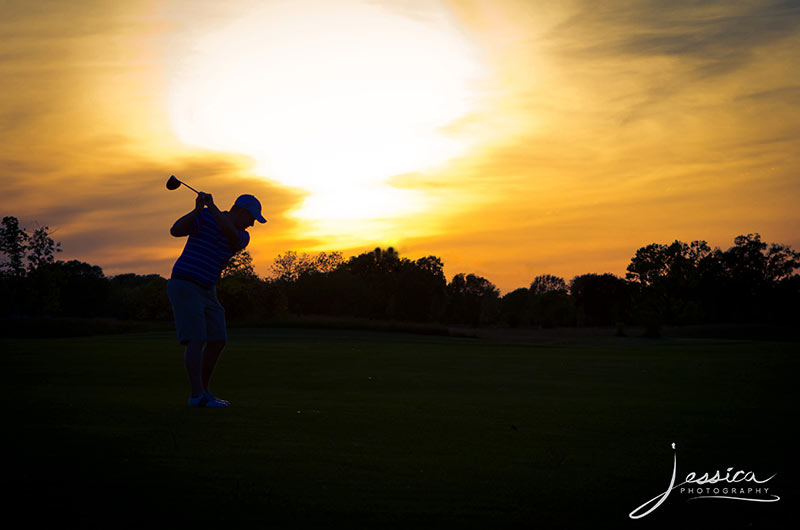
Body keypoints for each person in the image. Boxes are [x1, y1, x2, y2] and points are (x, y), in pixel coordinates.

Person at [167, 191, 266, 407]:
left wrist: (211, 207)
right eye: (251, 218)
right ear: (240, 210)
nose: (252, 224)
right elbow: (175, 230)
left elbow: (229, 233)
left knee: (218, 339)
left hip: (207, 288)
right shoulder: (204, 217)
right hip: (185, 282)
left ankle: (203, 391)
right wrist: (197, 210)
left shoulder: (242, 237)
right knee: (196, 339)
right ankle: (197, 396)